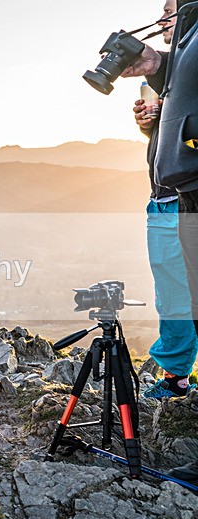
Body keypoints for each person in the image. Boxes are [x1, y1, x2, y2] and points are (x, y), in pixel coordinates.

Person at [123, 0, 198, 483]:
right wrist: (157, 122)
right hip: (171, 196)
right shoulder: (184, 52)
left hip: (187, 197)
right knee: (175, 296)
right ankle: (173, 374)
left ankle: (174, 374)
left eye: (171, 7)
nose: (166, 16)